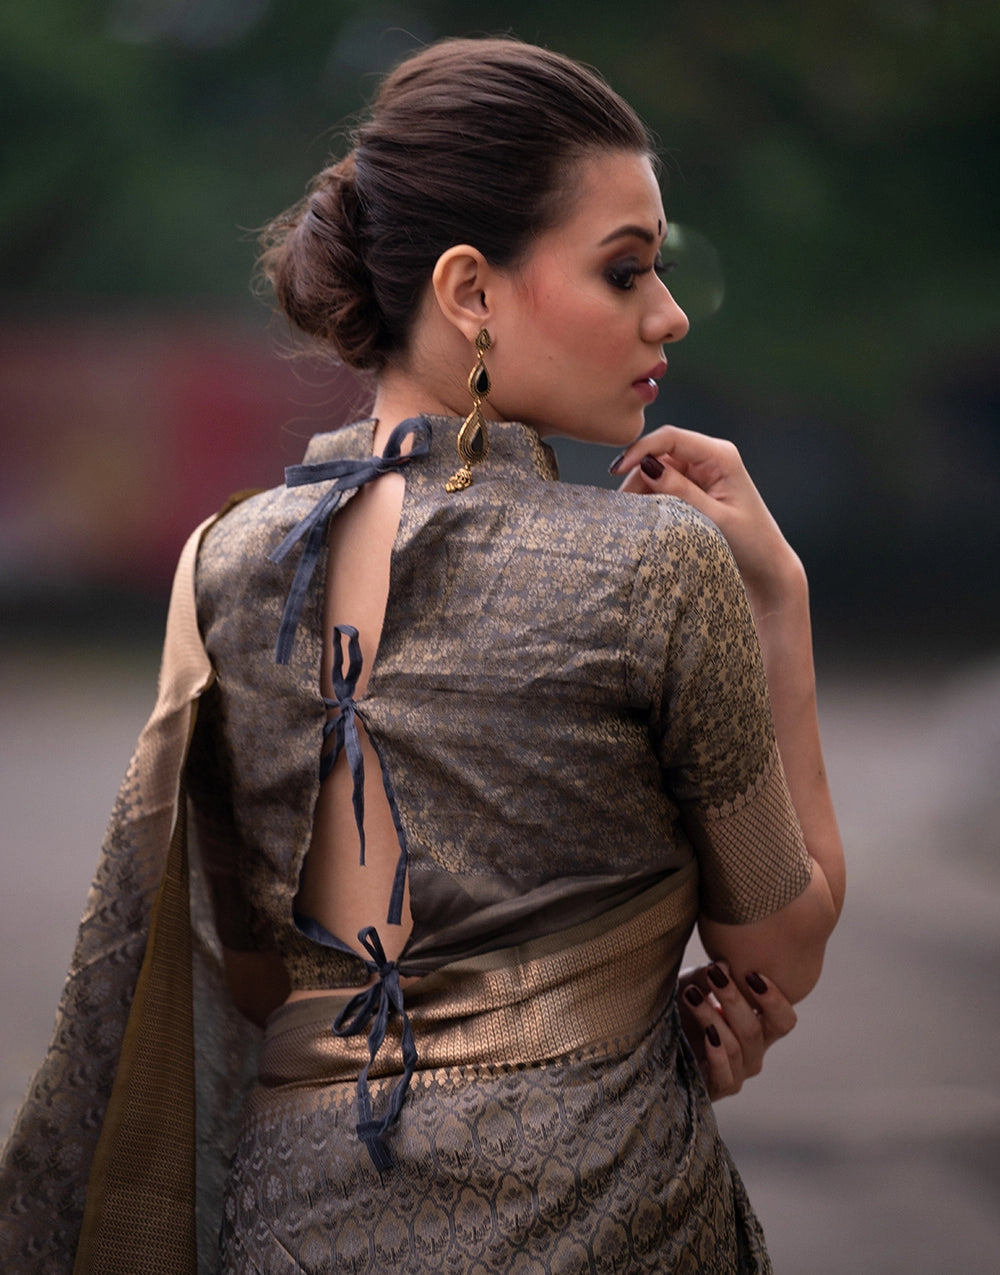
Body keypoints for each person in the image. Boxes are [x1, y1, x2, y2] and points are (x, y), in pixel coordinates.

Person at [0, 36, 844, 1274]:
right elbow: (781, 945)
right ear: (469, 292)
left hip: (290, 1227)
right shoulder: (659, 567)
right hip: (602, 1215)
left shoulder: (226, 566)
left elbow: (244, 972)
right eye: (625, 271)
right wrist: (783, 596)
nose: (667, 313)